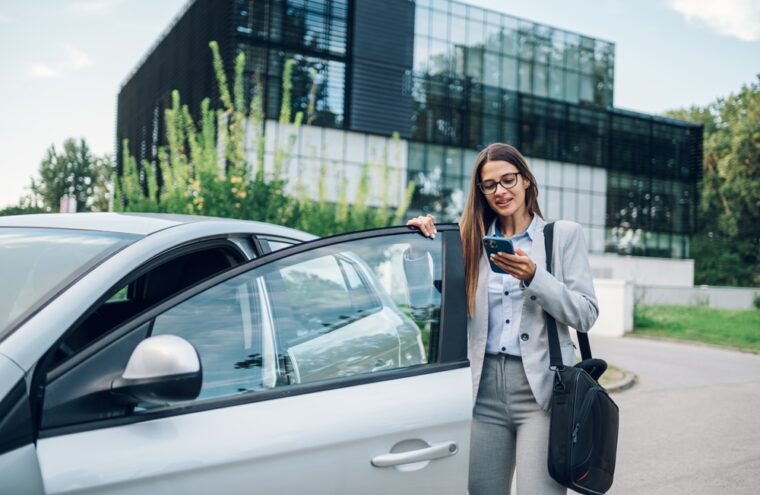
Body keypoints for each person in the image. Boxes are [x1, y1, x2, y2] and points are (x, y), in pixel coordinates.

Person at [407, 143, 598, 494]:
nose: (501, 191)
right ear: (480, 191)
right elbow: (424, 312)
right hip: (481, 392)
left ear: (526, 181)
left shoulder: (562, 236)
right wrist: (418, 254)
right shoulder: (468, 241)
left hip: (542, 392)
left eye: (508, 180)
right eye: (490, 185)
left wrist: (534, 277)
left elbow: (585, 314)